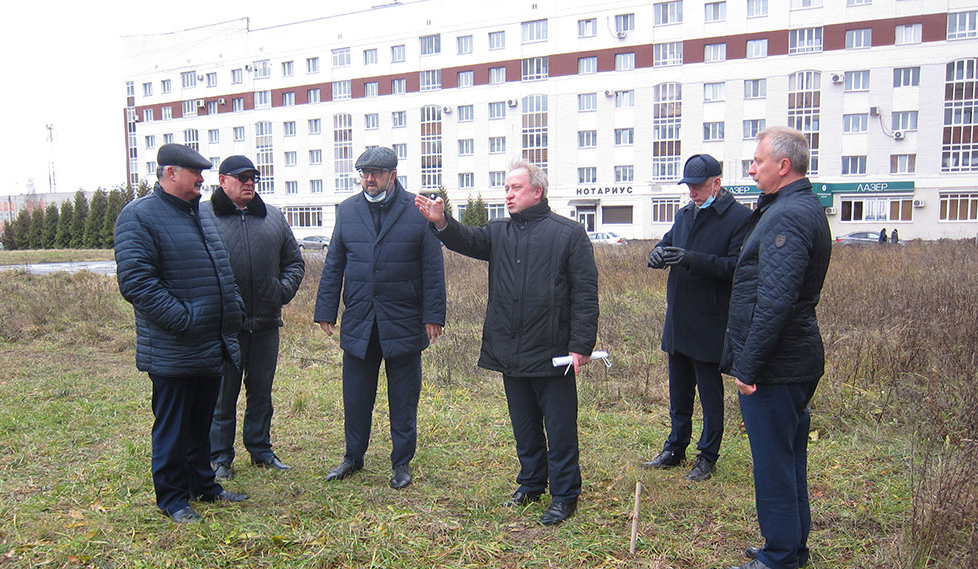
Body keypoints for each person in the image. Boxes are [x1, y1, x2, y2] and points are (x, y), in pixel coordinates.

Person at [414, 159, 599, 526]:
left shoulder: (569, 234)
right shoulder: (499, 231)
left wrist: (581, 346)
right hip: (510, 348)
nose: (508, 194)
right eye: (506, 188)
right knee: (524, 425)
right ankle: (531, 483)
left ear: (537, 191)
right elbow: (467, 239)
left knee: (560, 428)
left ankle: (565, 495)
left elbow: (585, 293)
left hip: (553, 352)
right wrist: (441, 221)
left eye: (515, 188)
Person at [115, 144, 249, 524]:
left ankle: (204, 486)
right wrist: (186, 321)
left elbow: (223, 272)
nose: (202, 181)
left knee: (200, 423)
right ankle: (172, 498)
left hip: (211, 342)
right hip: (175, 347)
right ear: (171, 173)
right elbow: (138, 284)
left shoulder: (201, 216)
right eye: (195, 174)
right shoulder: (139, 217)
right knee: (173, 426)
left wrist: (232, 309)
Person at [722, 126, 832, 569]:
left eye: (757, 161)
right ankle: (791, 542)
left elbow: (777, 298)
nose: (751, 168)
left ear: (783, 166)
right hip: (790, 358)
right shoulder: (792, 207)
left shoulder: (788, 215)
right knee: (787, 455)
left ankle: (779, 556)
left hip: (778, 363)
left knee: (772, 461)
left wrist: (749, 364)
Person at [314, 147, 446, 490]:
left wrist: (434, 314)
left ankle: (401, 462)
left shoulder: (418, 211)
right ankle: (352, 457)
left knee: (403, 398)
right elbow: (334, 264)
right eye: (364, 173)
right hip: (360, 320)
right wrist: (326, 310)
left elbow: (432, 267)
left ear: (393, 175)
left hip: (403, 319)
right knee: (356, 396)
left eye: (376, 173)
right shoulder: (347, 211)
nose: (369, 179)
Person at [645, 154, 752, 481]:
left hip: (710, 321)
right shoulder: (685, 214)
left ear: (717, 183)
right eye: (688, 186)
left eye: (698, 186)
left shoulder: (739, 219)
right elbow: (668, 243)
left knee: (709, 395)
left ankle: (707, 456)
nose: (692, 193)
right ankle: (675, 447)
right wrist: (657, 252)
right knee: (679, 392)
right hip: (678, 319)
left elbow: (736, 267)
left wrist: (693, 259)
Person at [203, 155, 306, 481]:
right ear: (223, 181)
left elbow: (295, 262)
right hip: (224, 327)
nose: (249, 182)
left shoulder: (273, 218)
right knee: (222, 396)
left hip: (265, 324)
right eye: (241, 177)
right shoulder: (203, 218)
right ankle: (219, 458)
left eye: (253, 178)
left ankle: (260, 450)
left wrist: (280, 292)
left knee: (261, 393)